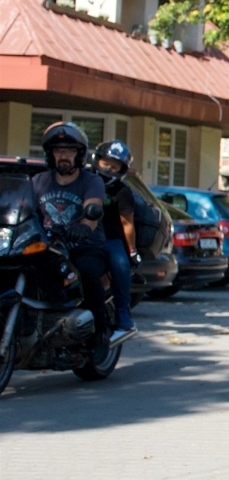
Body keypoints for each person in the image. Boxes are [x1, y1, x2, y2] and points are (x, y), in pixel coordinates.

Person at [31, 122, 114, 339]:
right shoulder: (39, 181)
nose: (63, 156)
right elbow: (23, 209)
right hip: (49, 247)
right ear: (51, 155)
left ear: (79, 154)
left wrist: (85, 226)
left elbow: (92, 209)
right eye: (58, 151)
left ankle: (100, 331)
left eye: (69, 150)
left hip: (84, 246)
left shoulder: (92, 181)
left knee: (85, 272)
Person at [93, 139, 139, 342]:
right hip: (82, 238)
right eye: (106, 163)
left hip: (111, 240)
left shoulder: (123, 192)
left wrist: (132, 251)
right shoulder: (84, 181)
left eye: (115, 166)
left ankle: (123, 315)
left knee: (121, 264)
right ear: (97, 161)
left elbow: (127, 224)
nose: (109, 169)